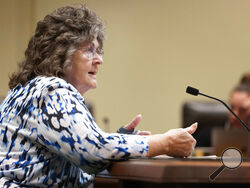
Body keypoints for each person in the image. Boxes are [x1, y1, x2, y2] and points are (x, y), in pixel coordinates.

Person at [0, 5, 197, 187]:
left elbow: (81, 158)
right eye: (89, 50)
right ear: (60, 53)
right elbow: (93, 152)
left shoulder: (25, 90)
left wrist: (120, 141)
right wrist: (165, 142)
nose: (99, 60)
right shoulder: (52, 90)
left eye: (99, 51)